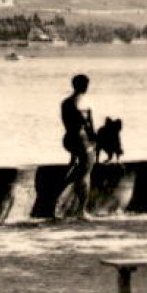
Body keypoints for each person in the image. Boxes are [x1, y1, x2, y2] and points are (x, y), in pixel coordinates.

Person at [59, 74, 97, 219]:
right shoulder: (83, 102)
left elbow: (67, 122)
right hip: (82, 140)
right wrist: (94, 140)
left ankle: (59, 199)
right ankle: (81, 210)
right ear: (84, 86)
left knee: (74, 169)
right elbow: (88, 125)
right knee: (85, 174)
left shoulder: (65, 102)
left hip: (69, 139)